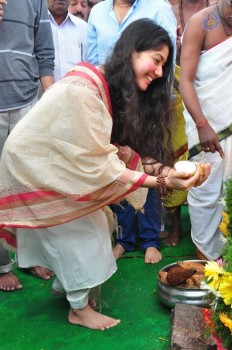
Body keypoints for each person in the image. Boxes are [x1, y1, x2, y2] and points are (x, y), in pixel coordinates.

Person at [0, 20, 209, 329]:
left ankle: (67, 288)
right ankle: (78, 309)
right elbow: (102, 164)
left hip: (55, 167)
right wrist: (163, 180)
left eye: (164, 65)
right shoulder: (86, 88)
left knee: (99, 222)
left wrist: (165, 170)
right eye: (156, 59)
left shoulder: (111, 89)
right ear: (131, 52)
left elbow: (120, 152)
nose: (159, 72)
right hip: (35, 167)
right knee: (82, 235)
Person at [86, 0, 178, 263]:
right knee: (120, 173)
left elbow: (164, 63)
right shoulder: (98, 11)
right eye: (154, 61)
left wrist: (165, 176)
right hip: (112, 103)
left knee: (150, 166)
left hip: (148, 105)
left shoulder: (159, 7)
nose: (159, 69)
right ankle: (125, 239)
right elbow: (94, 60)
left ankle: (150, 239)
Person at [0, 0, 55, 291]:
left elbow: (44, 51)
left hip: (26, 101)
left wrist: (52, 102)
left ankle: (29, 256)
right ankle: (1, 265)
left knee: (27, 187)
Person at [179, 0, 232, 260]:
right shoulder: (202, 22)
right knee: (206, 194)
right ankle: (204, 266)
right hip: (208, 129)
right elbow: (185, 81)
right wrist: (202, 125)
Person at [162, 0, 213, 247]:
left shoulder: (216, 8)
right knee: (177, 154)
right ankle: (176, 225)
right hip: (177, 87)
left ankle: (210, 228)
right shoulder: (167, 9)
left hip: (214, 90)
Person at [47, 0, 87, 82]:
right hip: (42, 93)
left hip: (76, 92)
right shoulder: (36, 24)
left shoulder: (83, 28)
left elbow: (88, 67)